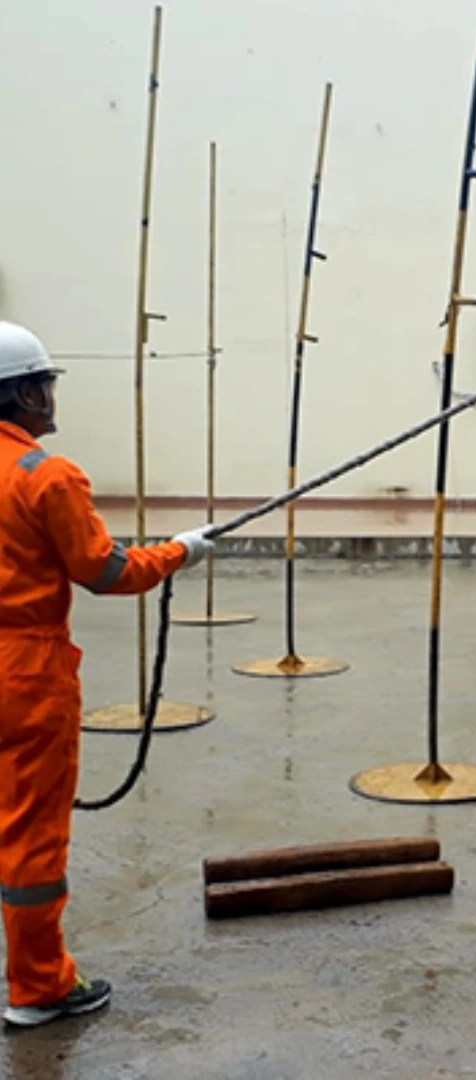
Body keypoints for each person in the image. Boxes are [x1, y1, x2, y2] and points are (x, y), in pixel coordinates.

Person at [0, 321, 212, 1028]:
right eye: (46, 383)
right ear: (22, 391)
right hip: (24, 671)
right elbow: (104, 571)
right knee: (29, 834)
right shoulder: (45, 475)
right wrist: (179, 553)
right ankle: (38, 988)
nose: (52, 395)